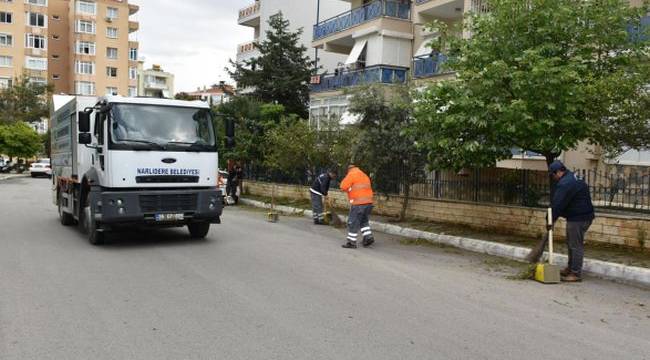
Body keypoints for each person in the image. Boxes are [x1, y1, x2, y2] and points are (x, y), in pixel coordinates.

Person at [549, 160, 595, 282]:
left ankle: (575, 273)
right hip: (581, 215)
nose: (553, 178)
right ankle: (570, 268)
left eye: (553, 175)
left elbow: (558, 204)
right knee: (571, 243)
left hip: (579, 218)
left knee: (575, 245)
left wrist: (550, 220)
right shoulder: (572, 177)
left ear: (558, 172)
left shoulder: (565, 183)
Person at [339, 165, 374, 249]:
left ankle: (351, 242)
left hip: (358, 203)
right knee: (363, 220)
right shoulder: (364, 175)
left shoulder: (351, 174)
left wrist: (349, 189)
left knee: (353, 222)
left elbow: (343, 186)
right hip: (368, 203)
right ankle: (368, 237)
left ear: (348, 169)